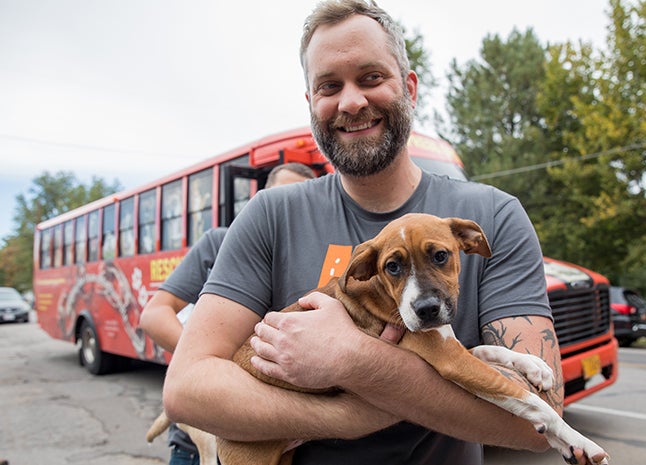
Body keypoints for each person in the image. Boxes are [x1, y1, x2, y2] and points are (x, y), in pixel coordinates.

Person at [164, 1, 591, 463]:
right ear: (312, 103)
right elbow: (188, 391)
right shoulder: (268, 215)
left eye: (370, 77)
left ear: (409, 87)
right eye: (330, 85)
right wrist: (348, 418)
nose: (351, 101)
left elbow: (542, 418)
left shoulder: (494, 215)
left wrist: (354, 360)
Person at [139, 163, 316, 465]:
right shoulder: (219, 242)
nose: (286, 210)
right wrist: (204, 363)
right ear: (261, 199)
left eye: (298, 204)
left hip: (271, 438)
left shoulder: (313, 259)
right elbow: (155, 314)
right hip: (199, 443)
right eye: (279, 198)